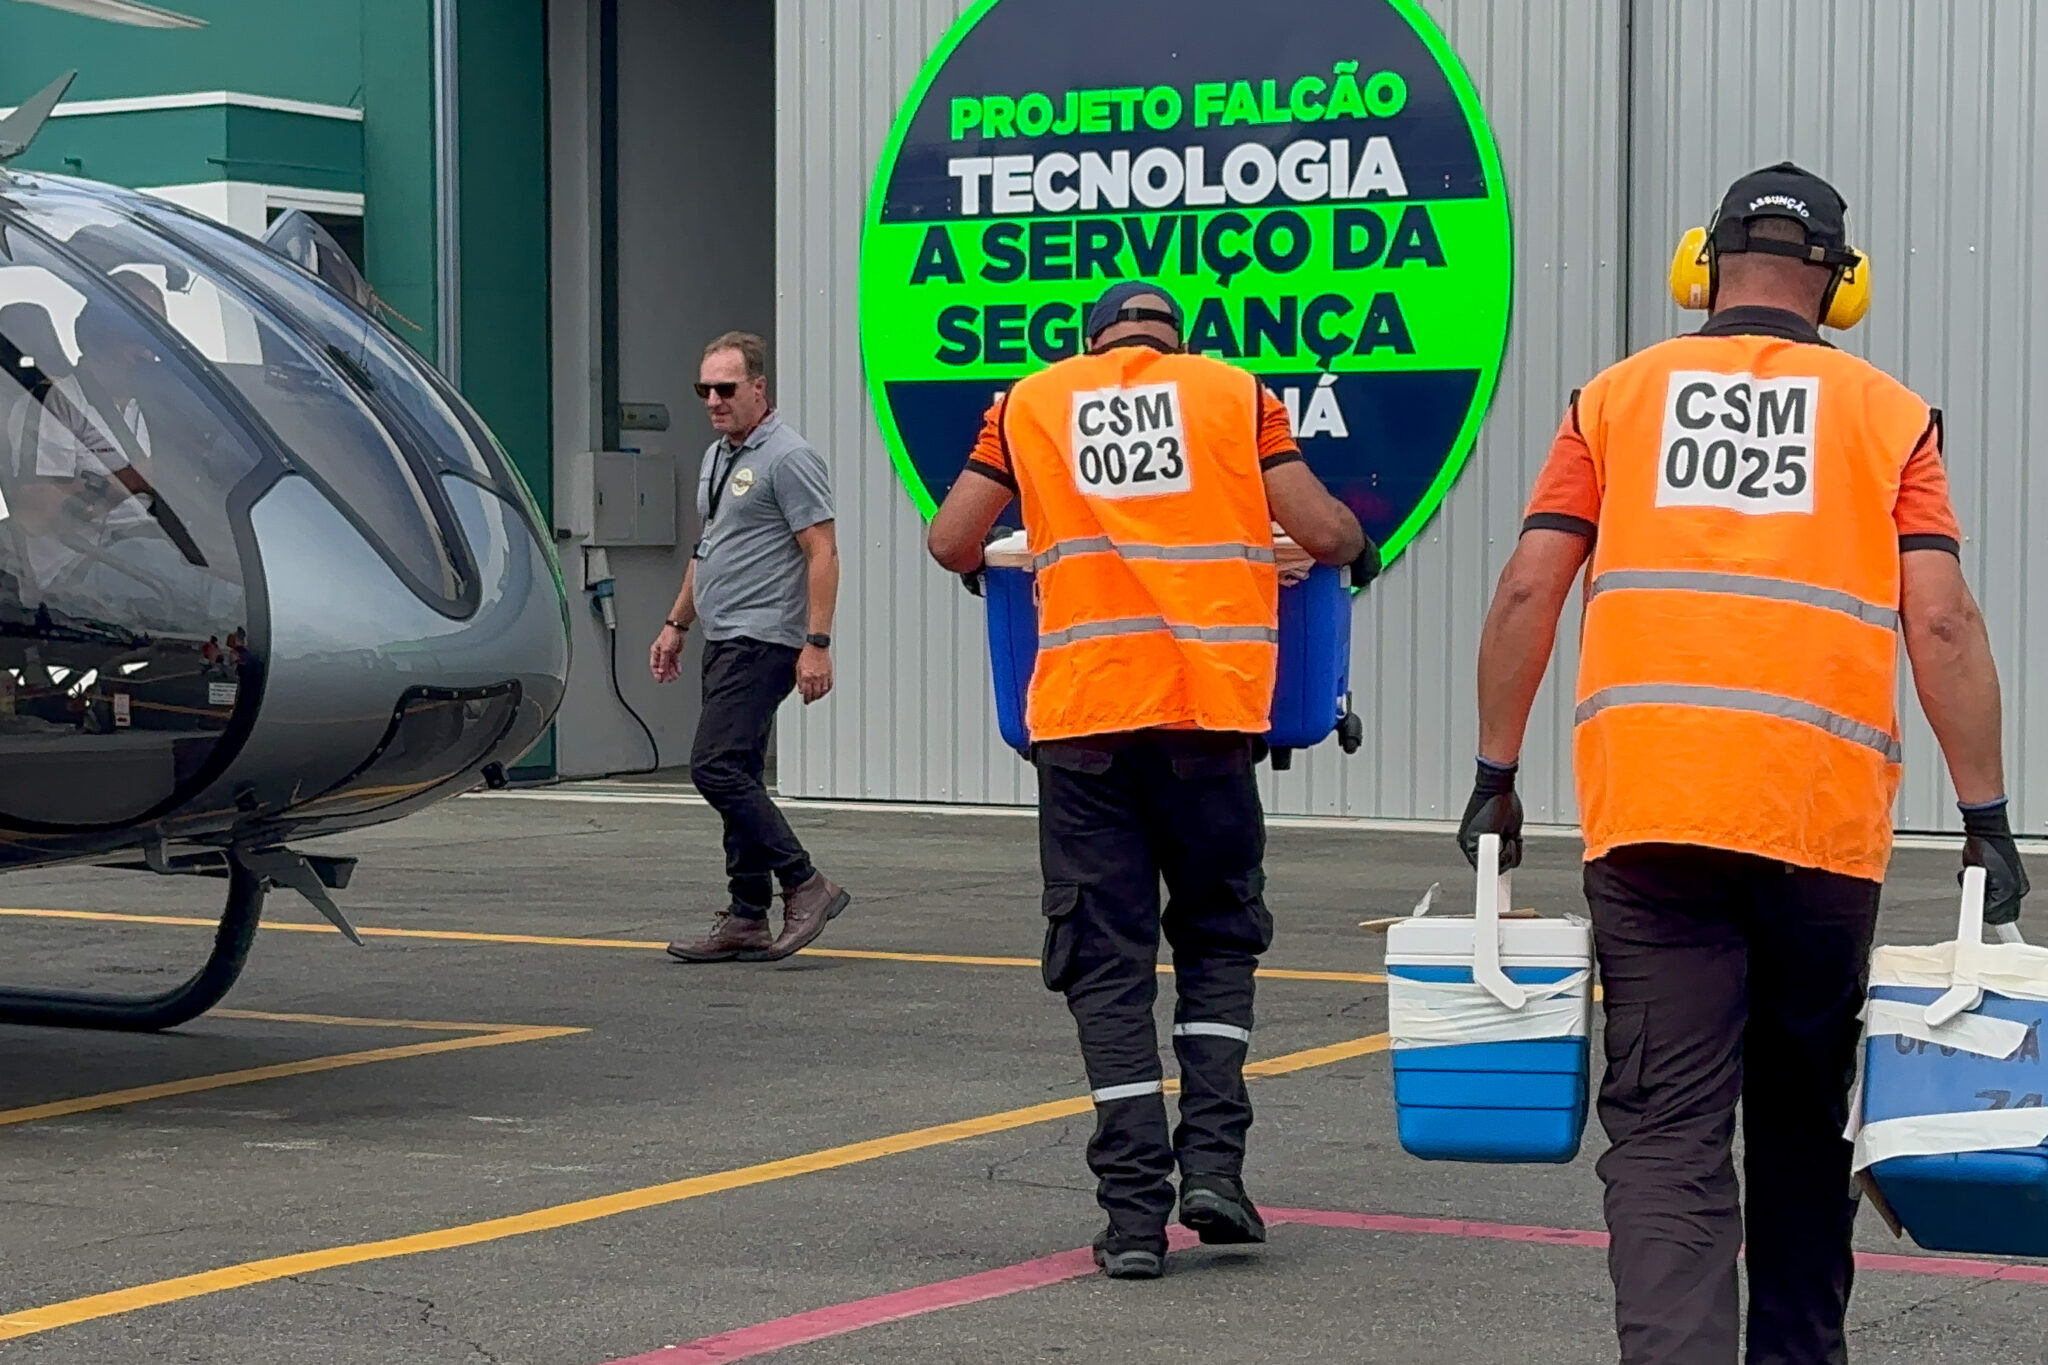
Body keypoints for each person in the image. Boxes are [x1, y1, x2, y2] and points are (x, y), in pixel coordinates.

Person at [1460, 162, 2030, 1364]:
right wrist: (1985, 815)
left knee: (1666, 1128)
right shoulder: (1888, 414)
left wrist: (1492, 771)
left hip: (1652, 816)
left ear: (1696, 268)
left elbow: (1527, 586)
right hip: (1817, 827)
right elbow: (1940, 622)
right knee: (1796, 1125)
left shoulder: (1609, 401)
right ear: (1842, 287)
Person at [927, 281, 1378, 1280]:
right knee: (1217, 937)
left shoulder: (1029, 401)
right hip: (1206, 720)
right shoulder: (1233, 393)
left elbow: (954, 540)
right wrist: (1356, 547)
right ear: (1175, 339)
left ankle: (1132, 1218)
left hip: (1084, 724)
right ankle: (1213, 1168)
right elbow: (1325, 533)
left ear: (1092, 342)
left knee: (1106, 964)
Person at [651, 331, 848, 963]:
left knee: (715, 766)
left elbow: (822, 550)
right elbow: (709, 549)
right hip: (722, 633)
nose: (713, 399)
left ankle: (805, 882)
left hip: (765, 639)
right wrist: (677, 623)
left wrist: (816, 643)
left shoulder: (788, 457)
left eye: (726, 388)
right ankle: (745, 913)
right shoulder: (718, 457)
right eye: (703, 389)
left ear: (758, 390)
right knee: (735, 767)